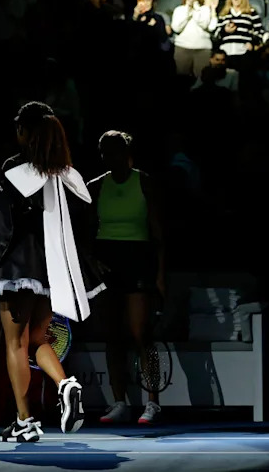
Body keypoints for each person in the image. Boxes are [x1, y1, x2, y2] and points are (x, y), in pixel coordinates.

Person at [0, 102, 105, 442]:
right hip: (54, 269)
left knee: (15, 343)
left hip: (19, 267)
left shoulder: (15, 169)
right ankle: (65, 383)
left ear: (25, 132)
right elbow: (83, 224)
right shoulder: (66, 172)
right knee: (37, 340)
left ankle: (25, 420)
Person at [86, 130, 166, 424]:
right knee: (113, 337)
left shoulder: (143, 182)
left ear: (127, 153)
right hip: (108, 263)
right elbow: (86, 231)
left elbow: (158, 232)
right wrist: (92, 261)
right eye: (105, 152)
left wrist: (160, 275)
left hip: (139, 259)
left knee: (141, 333)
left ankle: (153, 402)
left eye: (115, 151)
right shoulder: (95, 186)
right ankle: (119, 402)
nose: (110, 157)